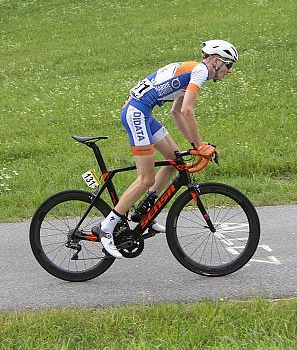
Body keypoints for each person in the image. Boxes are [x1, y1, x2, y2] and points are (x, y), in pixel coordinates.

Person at [94, 40, 238, 258]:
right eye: (229, 66)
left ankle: (145, 213)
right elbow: (188, 111)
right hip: (137, 114)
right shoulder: (199, 72)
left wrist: (194, 146)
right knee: (146, 179)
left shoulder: (194, 70)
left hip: (142, 111)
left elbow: (177, 112)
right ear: (217, 61)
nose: (230, 72)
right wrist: (199, 146)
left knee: (175, 160)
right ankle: (106, 227)